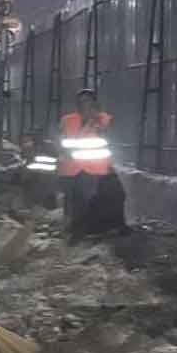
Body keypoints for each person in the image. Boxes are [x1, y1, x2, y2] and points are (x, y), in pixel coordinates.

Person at [58, 89, 127, 241]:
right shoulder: (68, 120)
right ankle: (76, 231)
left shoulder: (104, 120)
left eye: (89, 101)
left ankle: (110, 228)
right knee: (77, 202)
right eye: (82, 102)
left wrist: (100, 127)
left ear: (95, 103)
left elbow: (113, 138)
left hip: (98, 167)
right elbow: (62, 141)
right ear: (77, 105)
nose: (85, 105)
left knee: (114, 195)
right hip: (73, 168)